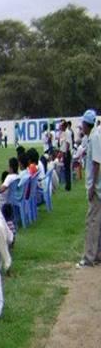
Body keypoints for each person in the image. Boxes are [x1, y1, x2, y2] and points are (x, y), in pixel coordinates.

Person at [78, 109, 101, 268]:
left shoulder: (94, 137)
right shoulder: (95, 136)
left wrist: (92, 186)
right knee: (97, 221)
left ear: (87, 124)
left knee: (92, 221)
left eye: (82, 125)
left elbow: (96, 163)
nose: (81, 128)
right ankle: (97, 254)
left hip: (97, 188)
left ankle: (89, 257)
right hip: (98, 187)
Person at [60, 119, 74, 191]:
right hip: (65, 152)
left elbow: (68, 143)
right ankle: (67, 185)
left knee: (67, 170)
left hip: (67, 152)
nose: (60, 127)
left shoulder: (68, 133)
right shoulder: (64, 132)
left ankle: (68, 186)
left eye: (61, 126)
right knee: (66, 170)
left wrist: (65, 152)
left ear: (64, 126)